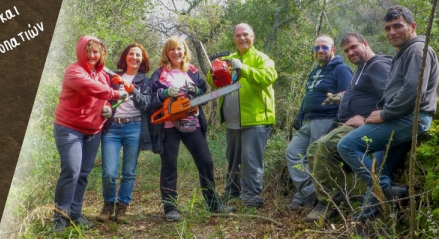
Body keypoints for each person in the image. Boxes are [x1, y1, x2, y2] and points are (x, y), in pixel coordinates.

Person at [337, 5, 439, 225]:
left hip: (409, 118)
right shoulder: (404, 53)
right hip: (402, 118)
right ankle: (363, 222)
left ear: (413, 26)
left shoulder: (417, 50)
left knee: (346, 146)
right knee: (378, 170)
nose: (392, 32)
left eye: (397, 26)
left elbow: (413, 90)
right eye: (387, 28)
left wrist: (385, 114)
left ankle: (389, 192)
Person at [304, 32, 402, 222]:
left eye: (354, 47)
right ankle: (336, 199)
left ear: (365, 43)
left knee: (324, 146)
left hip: (369, 126)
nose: (350, 52)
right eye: (346, 50)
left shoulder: (377, 65)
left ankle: (329, 205)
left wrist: (365, 120)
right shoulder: (363, 68)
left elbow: (392, 99)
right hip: (349, 124)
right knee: (313, 149)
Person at [150, 36, 235, 222]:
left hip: (192, 121)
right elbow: (151, 98)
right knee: (169, 165)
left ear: (184, 51)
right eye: (172, 49)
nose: (176, 52)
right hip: (169, 125)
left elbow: (203, 90)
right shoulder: (159, 74)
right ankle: (170, 207)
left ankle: (214, 204)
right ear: (167, 52)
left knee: (205, 162)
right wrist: (165, 93)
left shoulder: (193, 71)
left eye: (179, 49)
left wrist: (195, 91)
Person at [51, 35, 128, 232]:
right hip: (69, 128)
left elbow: (106, 98)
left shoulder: (102, 75)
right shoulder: (74, 71)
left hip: (93, 131)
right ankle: (60, 216)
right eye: (88, 51)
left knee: (83, 174)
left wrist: (110, 107)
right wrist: (115, 94)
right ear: (81, 52)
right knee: (72, 171)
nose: (92, 55)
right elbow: (92, 88)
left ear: (101, 54)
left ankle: (76, 214)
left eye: (96, 51)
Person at [206, 23, 277, 208]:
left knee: (251, 161)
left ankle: (252, 198)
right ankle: (232, 192)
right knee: (233, 160)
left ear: (253, 36)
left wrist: (243, 68)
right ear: (234, 38)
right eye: (238, 35)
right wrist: (213, 69)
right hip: (232, 120)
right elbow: (213, 82)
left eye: (245, 34)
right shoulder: (228, 59)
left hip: (255, 119)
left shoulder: (262, 58)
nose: (242, 38)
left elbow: (269, 77)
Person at [285, 35, 353, 211]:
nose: (320, 51)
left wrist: (338, 122)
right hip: (308, 121)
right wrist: (300, 115)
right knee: (293, 153)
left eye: (324, 47)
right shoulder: (315, 71)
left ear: (333, 50)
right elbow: (309, 95)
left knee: (315, 158)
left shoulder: (341, 70)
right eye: (317, 48)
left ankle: (320, 199)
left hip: (326, 119)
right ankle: (309, 192)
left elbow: (347, 97)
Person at [98, 43, 152, 223]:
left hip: (134, 128)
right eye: (131, 54)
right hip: (112, 128)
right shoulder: (113, 76)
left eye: (138, 55)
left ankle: (122, 207)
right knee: (109, 172)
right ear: (125, 57)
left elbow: (146, 103)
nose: (134, 58)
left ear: (142, 59)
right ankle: (108, 204)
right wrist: (105, 108)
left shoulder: (145, 81)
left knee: (128, 171)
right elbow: (102, 97)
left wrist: (131, 88)